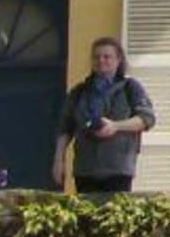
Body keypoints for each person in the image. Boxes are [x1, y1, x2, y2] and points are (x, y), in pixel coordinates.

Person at [51, 36, 156, 193]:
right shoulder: (79, 92)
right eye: (96, 57)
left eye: (107, 57)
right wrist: (59, 160)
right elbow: (65, 127)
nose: (101, 61)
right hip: (85, 170)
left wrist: (116, 126)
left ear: (118, 60)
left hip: (118, 169)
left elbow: (147, 119)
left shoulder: (130, 88)